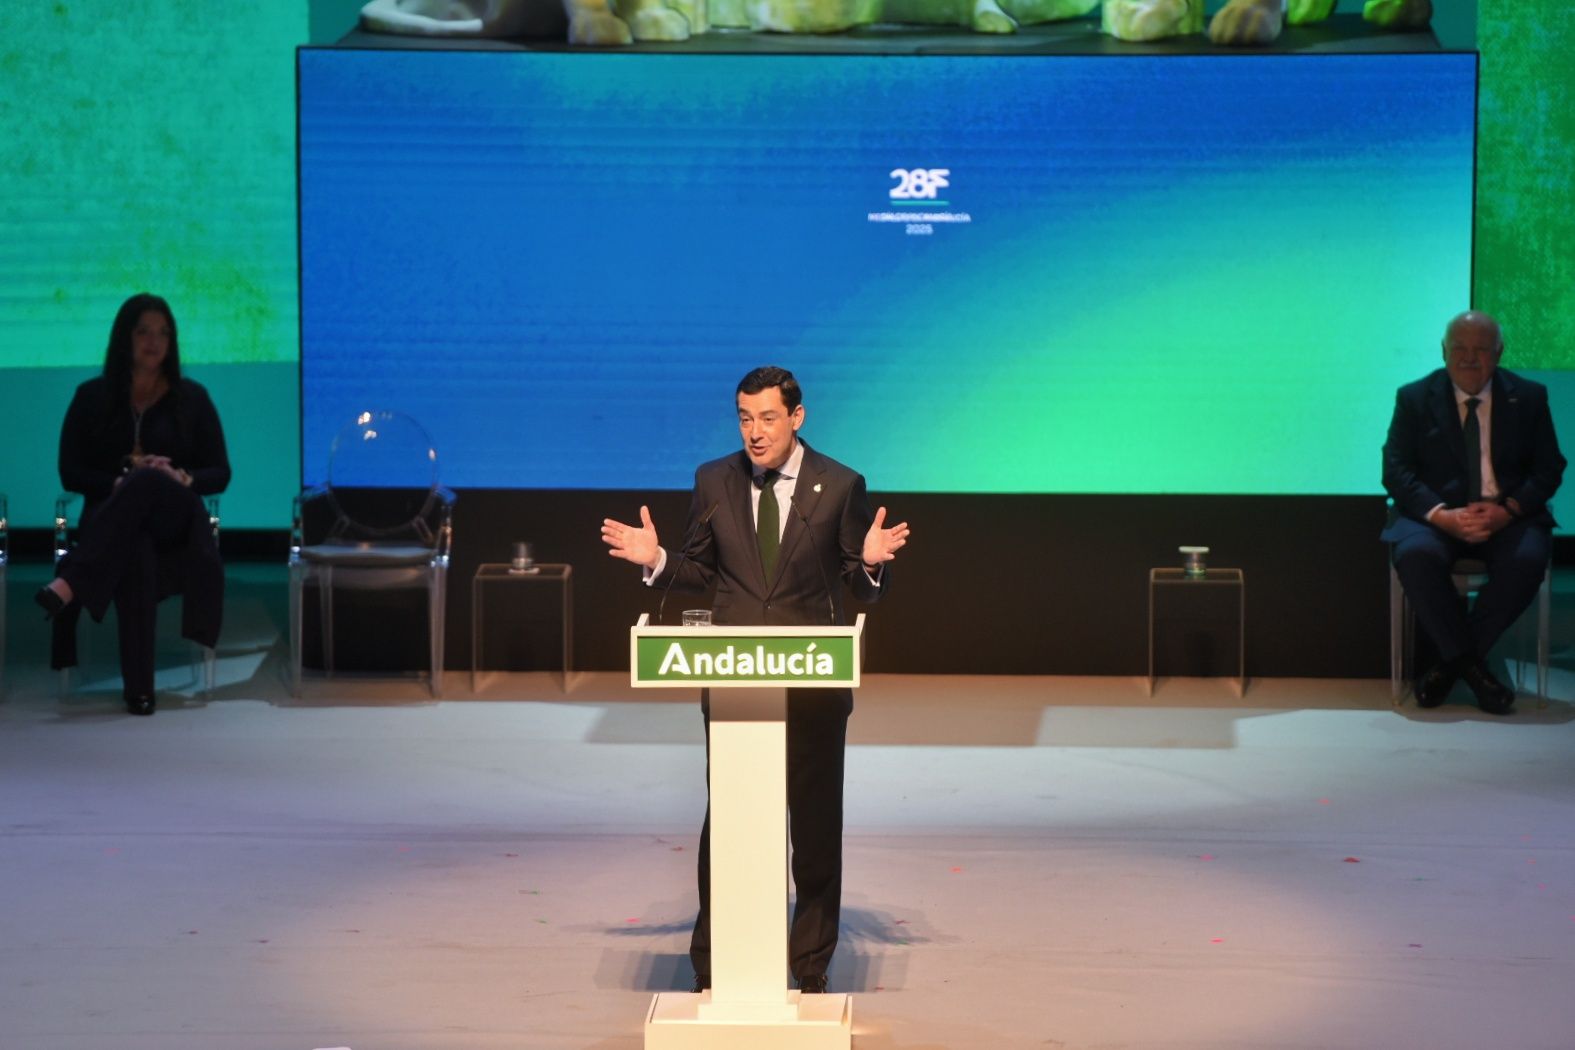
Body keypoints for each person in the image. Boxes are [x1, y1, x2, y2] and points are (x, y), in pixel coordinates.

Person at [601, 365, 909, 994]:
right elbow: (700, 573)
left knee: (815, 829)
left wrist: (872, 565)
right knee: (729, 825)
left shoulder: (840, 484)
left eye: (768, 418)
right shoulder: (713, 480)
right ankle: (712, 963)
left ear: (797, 417)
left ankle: (810, 966)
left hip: (814, 682)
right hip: (735, 681)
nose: (755, 432)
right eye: (745, 419)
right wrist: (657, 560)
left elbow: (857, 583)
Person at [36, 293, 231, 716]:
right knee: (136, 545)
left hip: (176, 517)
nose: (153, 341)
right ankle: (140, 691)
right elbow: (70, 472)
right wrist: (118, 483)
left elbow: (221, 472)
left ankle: (72, 580)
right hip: (114, 522)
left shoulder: (193, 398)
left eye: (163, 333)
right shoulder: (91, 396)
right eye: (143, 331)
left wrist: (181, 477)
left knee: (149, 480)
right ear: (124, 337)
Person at [1382, 310, 1564, 714]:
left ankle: (1451, 665)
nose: (1468, 358)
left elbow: (1549, 467)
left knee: (1527, 560)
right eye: (1459, 348)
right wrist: (1440, 515)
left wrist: (1509, 510)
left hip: (1506, 517)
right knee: (1415, 555)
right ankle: (1473, 669)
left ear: (1498, 353)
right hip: (1436, 517)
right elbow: (1395, 470)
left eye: (1480, 349)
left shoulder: (1529, 397)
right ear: (1443, 351)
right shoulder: (1414, 398)